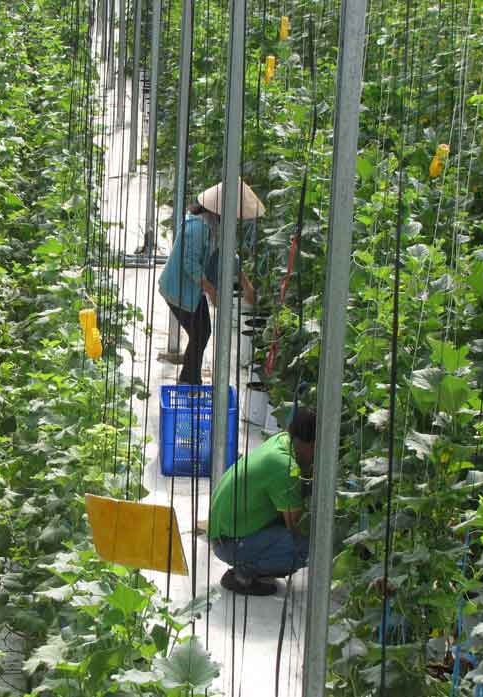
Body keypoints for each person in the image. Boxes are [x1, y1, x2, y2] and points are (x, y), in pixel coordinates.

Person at [158, 179, 265, 385]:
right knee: (200, 333)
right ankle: (189, 383)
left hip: (193, 291)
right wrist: (211, 290)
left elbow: (227, 255)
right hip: (178, 290)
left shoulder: (214, 226)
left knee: (201, 333)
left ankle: (189, 381)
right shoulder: (198, 227)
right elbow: (188, 262)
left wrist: (246, 284)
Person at [208, 408, 315, 595]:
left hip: (225, 531)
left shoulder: (281, 440)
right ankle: (244, 573)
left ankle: (251, 559)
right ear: (311, 444)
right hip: (229, 543)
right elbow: (296, 526)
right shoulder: (285, 466)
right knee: (309, 544)